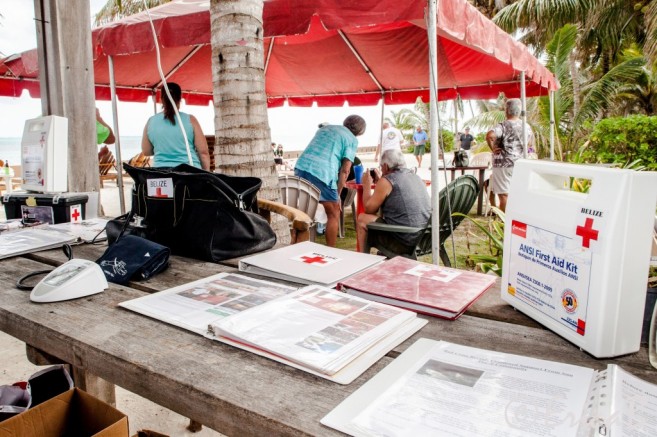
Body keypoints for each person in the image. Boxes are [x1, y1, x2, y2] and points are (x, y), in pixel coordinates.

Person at [294, 115, 366, 247]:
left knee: (301, 212)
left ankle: (297, 245)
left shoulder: (325, 129)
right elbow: (345, 170)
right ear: (360, 132)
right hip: (322, 172)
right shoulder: (352, 140)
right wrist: (337, 195)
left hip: (301, 167)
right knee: (334, 212)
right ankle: (330, 251)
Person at [356, 149, 431, 253]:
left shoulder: (387, 181)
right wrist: (382, 180)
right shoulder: (416, 177)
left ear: (386, 166)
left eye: (381, 166)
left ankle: (362, 258)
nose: (381, 169)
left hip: (405, 242)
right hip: (425, 239)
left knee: (362, 219)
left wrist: (367, 186)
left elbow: (369, 209)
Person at [141, 82, 211, 170]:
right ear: (180, 99)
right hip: (189, 172)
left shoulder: (151, 121)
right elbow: (203, 153)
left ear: (161, 99)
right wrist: (206, 175)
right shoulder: (191, 120)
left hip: (161, 173)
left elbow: (146, 151)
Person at [486, 98, 534, 212]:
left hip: (504, 164)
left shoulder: (503, 125)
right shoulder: (526, 126)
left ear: (506, 110)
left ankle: (504, 224)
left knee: (504, 196)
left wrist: (493, 148)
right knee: (516, 194)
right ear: (519, 111)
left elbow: (490, 135)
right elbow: (530, 144)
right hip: (520, 163)